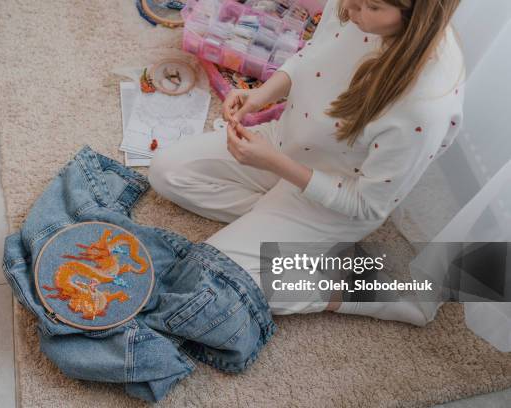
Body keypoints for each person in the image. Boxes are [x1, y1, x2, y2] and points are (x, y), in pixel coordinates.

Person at [148, 0, 466, 326]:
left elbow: (368, 205)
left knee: (212, 283)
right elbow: (314, 54)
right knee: (166, 171)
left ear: (415, 14)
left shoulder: (424, 106)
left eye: (370, 6)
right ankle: (293, 240)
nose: (351, 9)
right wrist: (264, 94)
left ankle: (362, 288)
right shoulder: (351, 6)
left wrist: (274, 164)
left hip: (332, 202)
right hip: (287, 142)